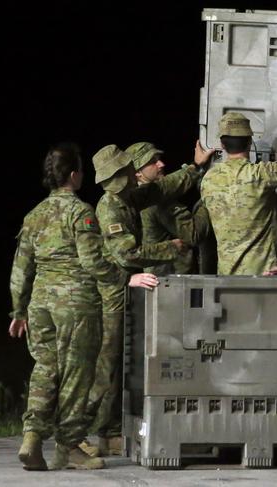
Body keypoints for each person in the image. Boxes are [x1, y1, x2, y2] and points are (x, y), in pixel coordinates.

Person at [9, 143, 159, 471]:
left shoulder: (34, 216)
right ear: (74, 175)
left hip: (40, 306)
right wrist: (125, 279)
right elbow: (93, 261)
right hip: (75, 307)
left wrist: (19, 311)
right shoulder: (81, 213)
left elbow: (21, 268)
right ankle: (70, 447)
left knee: (45, 369)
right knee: (78, 374)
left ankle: (32, 436)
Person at [81, 144, 210, 457]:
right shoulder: (111, 206)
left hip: (127, 284)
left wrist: (194, 168)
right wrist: (170, 248)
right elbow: (125, 253)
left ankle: (109, 432)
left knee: (123, 361)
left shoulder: (128, 198)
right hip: (114, 286)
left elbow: (163, 188)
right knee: (107, 362)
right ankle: (73, 432)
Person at [200, 89, 277, 275]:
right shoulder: (261, 174)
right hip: (264, 275)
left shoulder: (208, 180)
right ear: (250, 142)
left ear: (222, 145)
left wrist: (197, 166)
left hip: (226, 276)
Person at [126, 141, 211, 276]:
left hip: (161, 280)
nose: (161, 164)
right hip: (175, 282)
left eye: (159, 160)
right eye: (153, 162)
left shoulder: (134, 198)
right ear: (137, 172)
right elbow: (193, 234)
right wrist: (208, 201)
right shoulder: (157, 204)